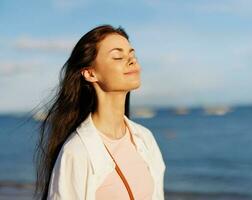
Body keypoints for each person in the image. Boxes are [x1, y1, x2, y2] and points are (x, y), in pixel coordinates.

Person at [33, 24, 166, 200]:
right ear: (90, 73)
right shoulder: (77, 152)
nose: (132, 60)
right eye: (118, 56)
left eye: (132, 54)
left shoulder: (145, 139)